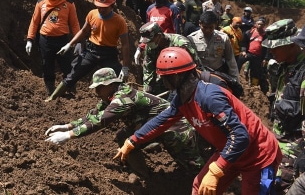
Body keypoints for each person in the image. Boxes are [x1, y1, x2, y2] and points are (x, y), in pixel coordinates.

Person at [115, 47, 282, 195]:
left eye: (165, 77)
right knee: (200, 187)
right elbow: (161, 121)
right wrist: (133, 141)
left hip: (258, 154)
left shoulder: (209, 97)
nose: (163, 82)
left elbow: (240, 136)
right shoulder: (182, 98)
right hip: (230, 150)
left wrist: (216, 170)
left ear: (177, 77)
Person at [44, 67, 204, 175]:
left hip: (173, 126)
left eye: (99, 87)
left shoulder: (123, 97)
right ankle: (144, 175)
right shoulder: (109, 96)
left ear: (110, 84)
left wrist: (69, 135)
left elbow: (102, 120)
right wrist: (65, 127)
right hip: (148, 127)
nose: (96, 91)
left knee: (191, 166)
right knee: (123, 137)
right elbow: (92, 115)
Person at [45, 0, 131, 101]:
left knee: (119, 79)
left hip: (108, 53)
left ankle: (123, 102)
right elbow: (84, 31)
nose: (101, 10)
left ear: (112, 4)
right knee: (72, 75)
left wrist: (125, 67)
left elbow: (125, 45)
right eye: (99, 7)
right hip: (92, 51)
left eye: (104, 8)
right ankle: (52, 97)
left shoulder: (119, 21)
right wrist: (70, 44)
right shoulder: (92, 14)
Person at [26, 0, 81, 96]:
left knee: (67, 66)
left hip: (62, 40)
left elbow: (75, 24)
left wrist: (78, 41)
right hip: (45, 40)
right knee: (47, 65)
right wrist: (30, 39)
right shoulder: (41, 3)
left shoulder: (69, 4)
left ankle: (70, 90)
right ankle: (50, 90)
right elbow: (34, 22)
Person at [262, 19, 305, 140]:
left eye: (276, 47)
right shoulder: (282, 65)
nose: (271, 51)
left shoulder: (302, 72)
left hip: (295, 144)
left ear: (291, 44)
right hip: (280, 133)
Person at [136, 22, 202, 95]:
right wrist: (147, 91)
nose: (148, 44)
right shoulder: (150, 48)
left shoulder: (180, 43)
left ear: (159, 36)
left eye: (151, 41)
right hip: (165, 78)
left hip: (184, 76)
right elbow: (148, 69)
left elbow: (195, 64)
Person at [188, 11, 239, 81]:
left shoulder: (223, 38)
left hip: (218, 74)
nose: (208, 30)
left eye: (211, 27)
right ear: (200, 23)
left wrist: (235, 79)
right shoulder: (191, 39)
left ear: (215, 24)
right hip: (199, 75)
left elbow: (230, 60)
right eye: (205, 27)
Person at [240, 17, 269, 91]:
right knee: (239, 61)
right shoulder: (249, 32)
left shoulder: (265, 35)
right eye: (258, 24)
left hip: (258, 56)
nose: (260, 26)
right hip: (249, 53)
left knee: (256, 72)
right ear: (255, 24)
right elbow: (244, 43)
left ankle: (254, 86)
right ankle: (238, 80)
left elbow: (267, 48)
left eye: (261, 25)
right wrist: (243, 51)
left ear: (264, 26)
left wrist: (265, 58)